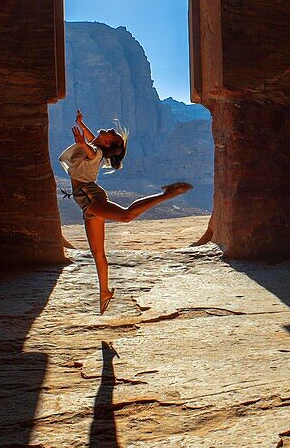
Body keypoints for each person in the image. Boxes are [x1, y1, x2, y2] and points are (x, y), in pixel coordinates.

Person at [59, 110, 192, 314]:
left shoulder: (96, 152)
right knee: (98, 253)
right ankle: (104, 292)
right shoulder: (98, 145)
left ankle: (166, 194)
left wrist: (82, 143)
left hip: (90, 196)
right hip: (87, 201)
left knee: (126, 216)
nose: (111, 129)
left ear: (107, 144)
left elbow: (91, 149)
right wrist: (81, 124)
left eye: (113, 135)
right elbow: (91, 139)